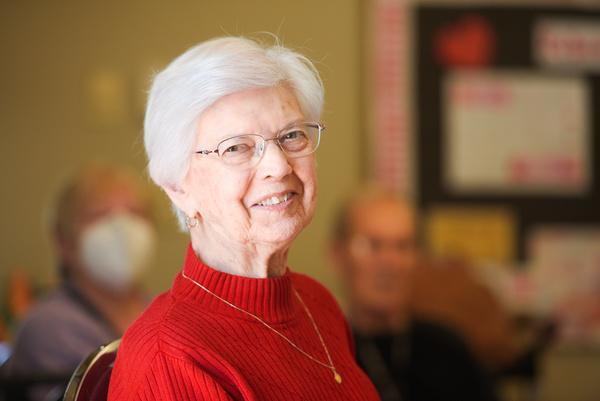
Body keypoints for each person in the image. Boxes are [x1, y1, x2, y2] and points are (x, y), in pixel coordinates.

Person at [107, 36, 380, 401]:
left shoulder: (318, 304)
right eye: (237, 147)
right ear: (178, 188)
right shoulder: (169, 357)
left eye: (292, 135)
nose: (278, 166)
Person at [330, 188, 499, 401]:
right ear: (337, 254)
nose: (390, 262)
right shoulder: (322, 356)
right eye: (373, 245)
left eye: (403, 246)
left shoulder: (449, 350)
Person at [4, 165, 155, 401]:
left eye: (135, 213)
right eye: (100, 215)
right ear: (63, 240)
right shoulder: (49, 326)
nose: (122, 229)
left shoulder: (162, 308)